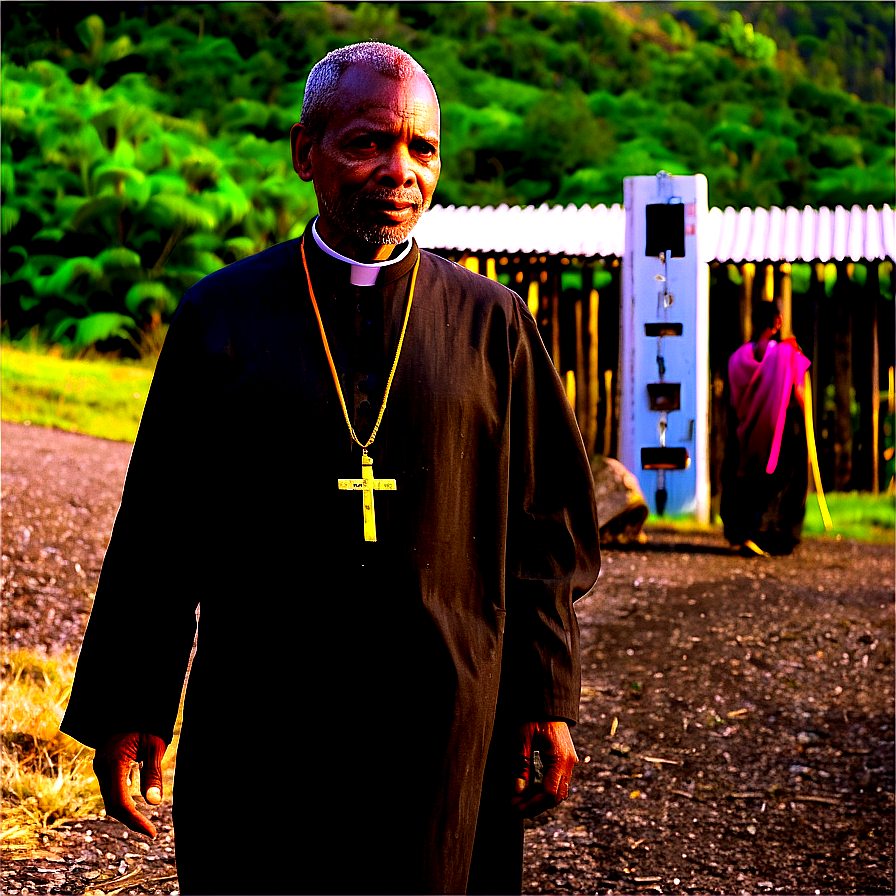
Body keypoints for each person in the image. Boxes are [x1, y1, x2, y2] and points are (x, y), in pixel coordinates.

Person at [61, 42, 601, 895]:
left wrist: (547, 691)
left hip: (449, 718)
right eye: (367, 143)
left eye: (421, 149)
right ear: (305, 152)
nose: (400, 171)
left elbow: (548, 533)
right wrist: (134, 699)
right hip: (266, 717)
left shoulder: (494, 327)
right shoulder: (223, 317)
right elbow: (162, 527)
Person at [721, 299, 811, 556]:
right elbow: (797, 393)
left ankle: (741, 532)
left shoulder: (737, 358)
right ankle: (772, 536)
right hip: (780, 433)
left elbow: (732, 399)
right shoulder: (787, 354)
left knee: (744, 480)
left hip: (745, 433)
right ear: (778, 321)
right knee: (785, 480)